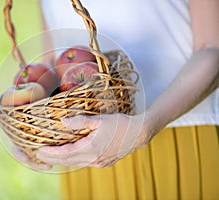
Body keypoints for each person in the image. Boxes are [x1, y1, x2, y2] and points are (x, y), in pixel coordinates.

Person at [14, 0, 219, 199]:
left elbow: (213, 49)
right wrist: (27, 125)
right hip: (88, 150)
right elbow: (53, 63)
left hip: (178, 134)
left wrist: (143, 128)